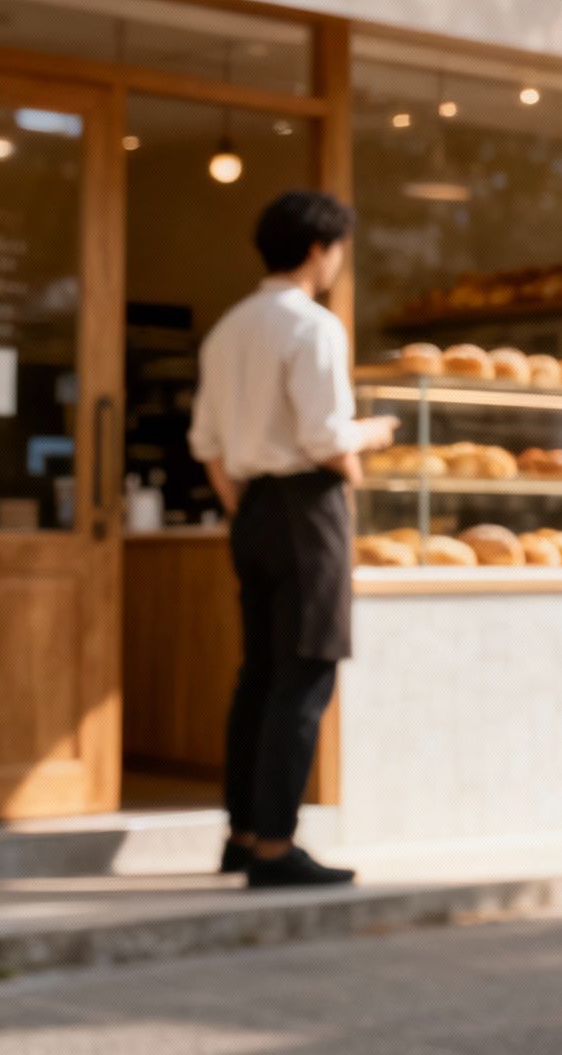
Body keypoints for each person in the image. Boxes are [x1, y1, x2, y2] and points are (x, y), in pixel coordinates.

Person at [188, 190, 397, 888]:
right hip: (306, 508)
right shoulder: (312, 326)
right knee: (304, 674)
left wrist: (246, 507)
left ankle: (243, 836)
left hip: (251, 510)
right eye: (339, 249)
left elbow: (208, 444)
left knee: (259, 675)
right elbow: (323, 436)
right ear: (319, 249)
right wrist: (370, 436)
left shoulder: (227, 329)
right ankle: (277, 846)